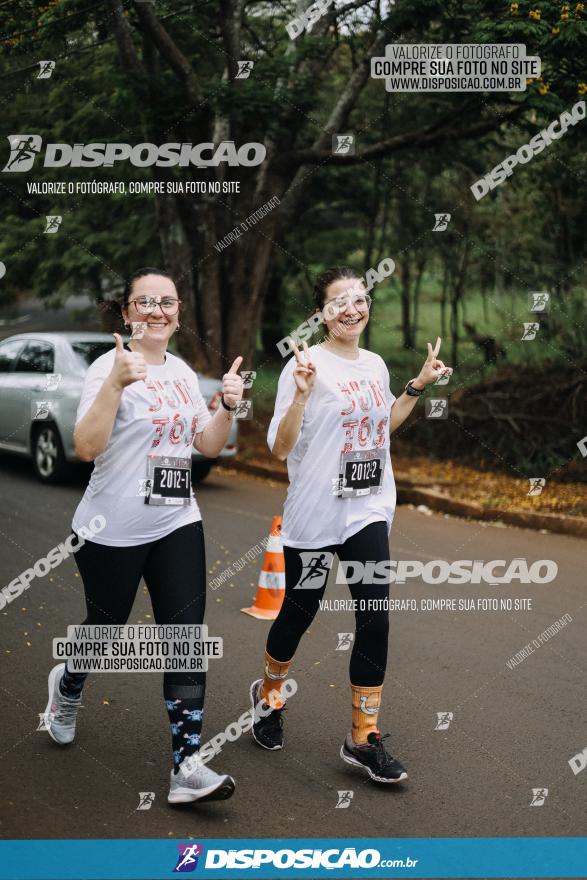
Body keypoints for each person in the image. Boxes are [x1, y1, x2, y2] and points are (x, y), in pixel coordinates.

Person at [41, 267, 244, 804]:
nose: (157, 311)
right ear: (128, 313)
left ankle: (186, 768)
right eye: (145, 302)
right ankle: (68, 685)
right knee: (105, 632)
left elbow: (204, 443)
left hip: (177, 520)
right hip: (110, 528)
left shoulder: (180, 371)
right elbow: (85, 447)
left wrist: (225, 406)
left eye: (168, 302)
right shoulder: (107, 367)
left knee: (185, 639)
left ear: (178, 313)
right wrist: (114, 385)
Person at [249, 265, 449, 785]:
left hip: (366, 510)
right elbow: (280, 448)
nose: (352, 308)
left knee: (375, 619)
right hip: (315, 517)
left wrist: (416, 386)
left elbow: (382, 426)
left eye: (359, 298)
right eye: (339, 301)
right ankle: (269, 695)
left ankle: (363, 736)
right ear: (322, 314)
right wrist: (297, 395)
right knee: (300, 611)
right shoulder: (305, 364)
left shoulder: (376, 364)